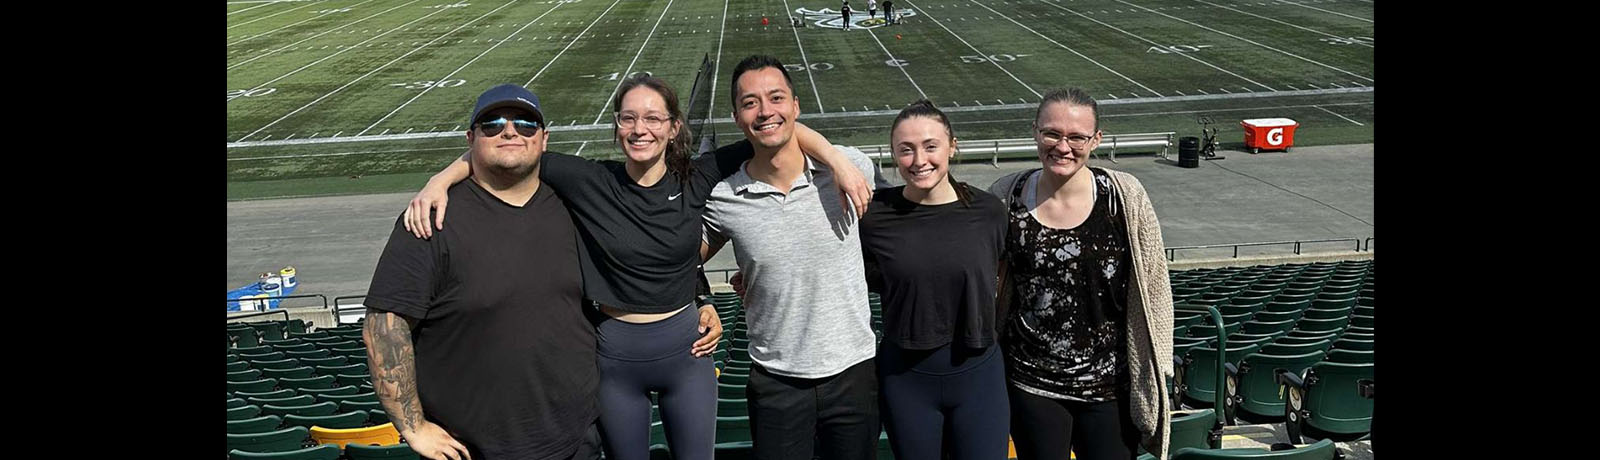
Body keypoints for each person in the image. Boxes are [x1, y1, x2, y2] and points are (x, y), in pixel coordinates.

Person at [401, 78, 872, 460]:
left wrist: (834, 158)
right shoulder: (589, 179)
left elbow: (777, 130)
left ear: (673, 128)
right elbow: (506, 150)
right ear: (617, 127)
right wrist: (438, 181)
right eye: (629, 118)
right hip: (614, 359)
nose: (640, 128)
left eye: (652, 118)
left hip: (687, 355)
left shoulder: (698, 174)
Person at [363, 84, 602, 460]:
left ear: (544, 139)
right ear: (471, 138)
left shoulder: (575, 204)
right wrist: (412, 426)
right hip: (475, 449)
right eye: (492, 124)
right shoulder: (431, 218)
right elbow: (385, 324)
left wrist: (696, 297)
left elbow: (644, 238)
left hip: (578, 441)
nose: (510, 131)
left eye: (525, 124)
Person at [701, 55, 889, 460]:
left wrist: (835, 159)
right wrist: (701, 299)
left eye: (776, 98)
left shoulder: (849, 169)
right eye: (751, 103)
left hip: (853, 373)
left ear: (796, 106)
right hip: (776, 381)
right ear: (736, 117)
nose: (766, 110)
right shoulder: (725, 199)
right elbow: (677, 259)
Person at [988, 87, 1175, 460]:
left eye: (1076, 137)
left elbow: (1155, 282)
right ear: (1035, 132)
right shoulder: (1006, 195)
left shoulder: (1125, 195)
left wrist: (1161, 364)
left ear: (1096, 140)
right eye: (1052, 133)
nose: (1063, 146)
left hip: (1111, 387)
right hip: (1031, 385)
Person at [859, 100, 1010, 460]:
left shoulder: (988, 211)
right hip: (906, 378)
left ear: (952, 146)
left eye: (930, 146)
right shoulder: (873, 216)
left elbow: (1005, 274)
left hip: (979, 376)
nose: (919, 160)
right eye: (905, 150)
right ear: (893, 154)